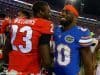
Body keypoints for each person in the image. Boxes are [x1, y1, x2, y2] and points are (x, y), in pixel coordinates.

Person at [1, 1, 53, 74]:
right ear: (41, 12)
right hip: (31, 71)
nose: (50, 15)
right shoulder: (44, 25)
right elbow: (46, 62)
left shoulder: (15, 22)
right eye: (48, 12)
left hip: (13, 70)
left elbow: (5, 51)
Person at [53, 4, 93, 75]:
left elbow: (88, 64)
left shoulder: (81, 33)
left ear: (75, 17)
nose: (63, 14)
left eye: (67, 12)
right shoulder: (56, 30)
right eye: (62, 11)